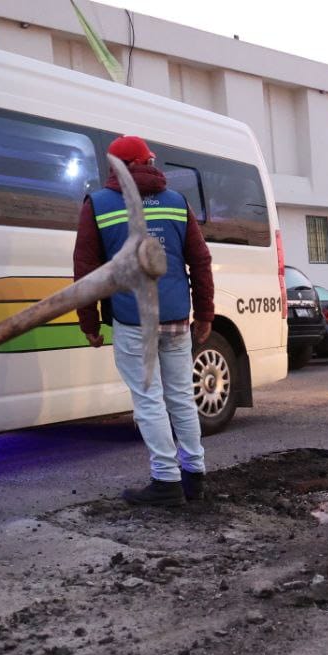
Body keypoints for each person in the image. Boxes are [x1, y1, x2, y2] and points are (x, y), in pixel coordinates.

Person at [74, 135, 214, 507]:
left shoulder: (99, 205)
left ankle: (166, 481)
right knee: (182, 397)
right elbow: (199, 261)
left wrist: (89, 322)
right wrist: (205, 314)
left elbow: (86, 268)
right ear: (148, 162)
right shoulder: (176, 202)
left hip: (134, 319)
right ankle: (195, 476)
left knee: (149, 400)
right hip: (175, 318)